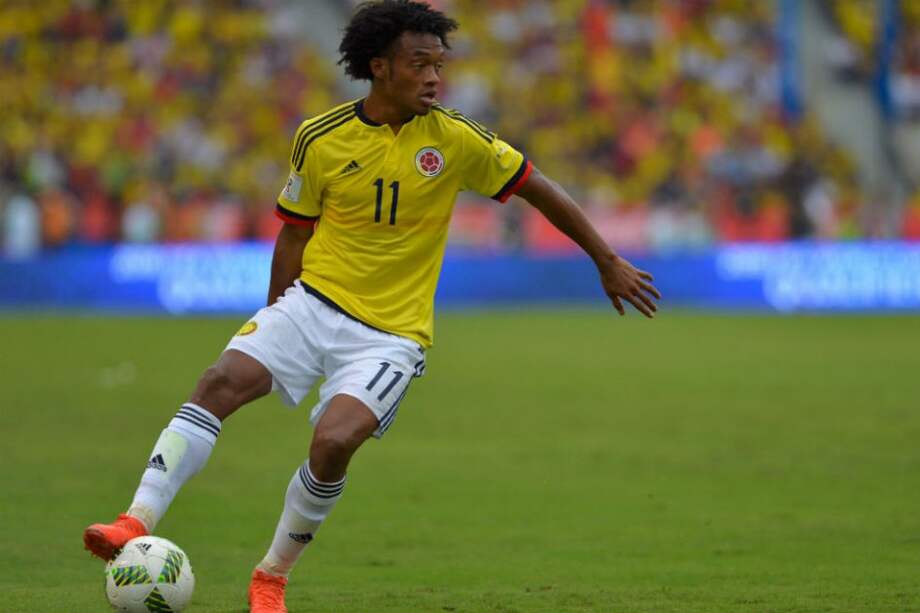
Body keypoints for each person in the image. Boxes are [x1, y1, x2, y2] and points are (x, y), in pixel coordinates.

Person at [82, 2, 661, 611]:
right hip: (313, 302)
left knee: (335, 442)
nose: (435, 77)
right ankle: (135, 520)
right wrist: (274, 317)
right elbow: (295, 233)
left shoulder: (458, 139)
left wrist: (605, 259)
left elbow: (538, 188)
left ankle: (272, 576)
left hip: (391, 334)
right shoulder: (320, 137)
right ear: (380, 67)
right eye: (421, 64)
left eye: (440, 64)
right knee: (220, 381)